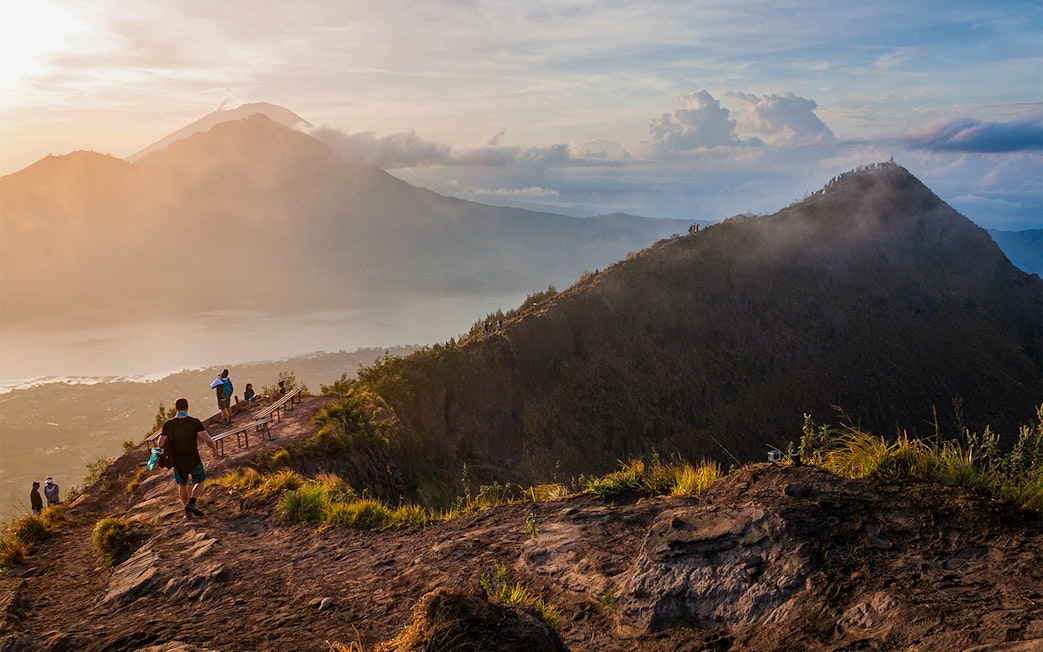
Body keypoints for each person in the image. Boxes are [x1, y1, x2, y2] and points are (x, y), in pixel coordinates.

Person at [158, 397, 218, 519]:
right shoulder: (194, 422)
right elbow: (207, 439)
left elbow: (160, 443)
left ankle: (188, 512)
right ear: (187, 407)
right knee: (200, 480)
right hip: (193, 458)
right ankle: (191, 503)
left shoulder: (169, 424)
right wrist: (213, 449)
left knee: (182, 484)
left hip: (178, 461)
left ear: (175, 408)